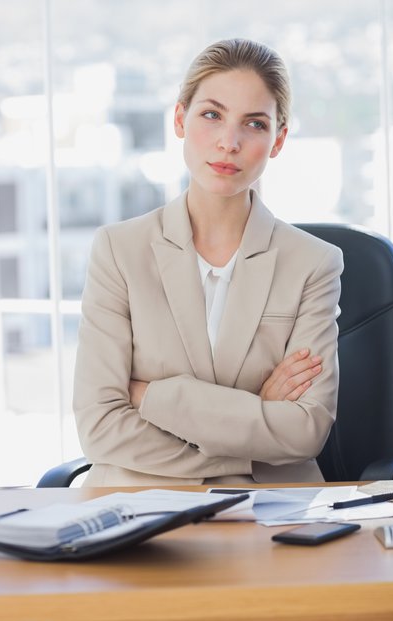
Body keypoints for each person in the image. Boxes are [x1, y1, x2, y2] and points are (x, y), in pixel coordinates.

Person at [73, 39, 343, 486]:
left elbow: (304, 432)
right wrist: (251, 427)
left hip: (271, 514)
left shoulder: (314, 263)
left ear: (278, 140)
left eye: (254, 124)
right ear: (180, 119)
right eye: (212, 115)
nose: (229, 142)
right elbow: (100, 427)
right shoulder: (119, 251)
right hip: (140, 507)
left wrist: (151, 396)